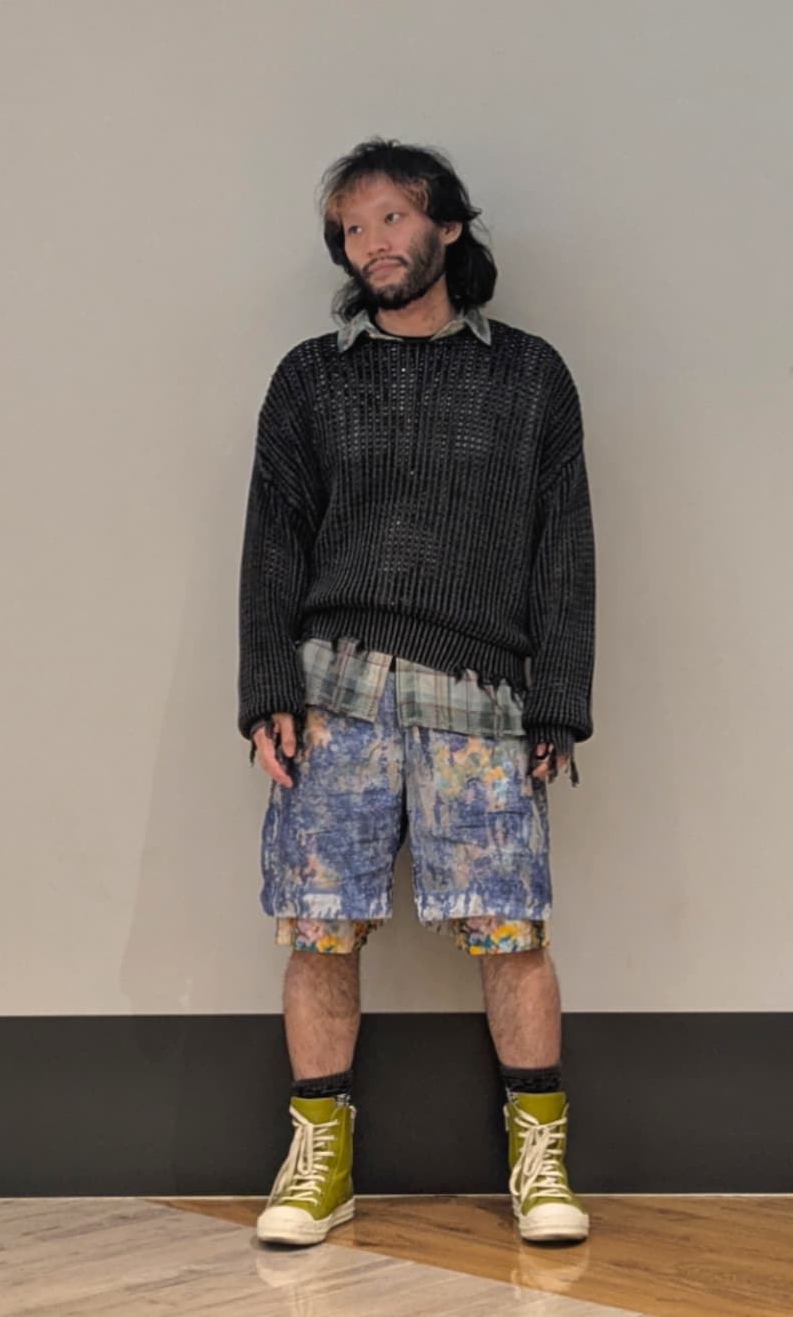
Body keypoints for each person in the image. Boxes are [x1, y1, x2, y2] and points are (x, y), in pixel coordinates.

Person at [237, 138, 596, 1247]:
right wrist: (265, 688)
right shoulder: (311, 378)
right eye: (353, 229)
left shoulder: (529, 375)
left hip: (481, 700)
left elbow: (563, 547)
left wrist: (559, 700)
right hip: (332, 695)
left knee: (512, 930)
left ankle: (540, 1161)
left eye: (390, 217)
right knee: (319, 931)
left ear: (445, 224)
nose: (372, 243)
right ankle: (318, 1164)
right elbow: (272, 540)